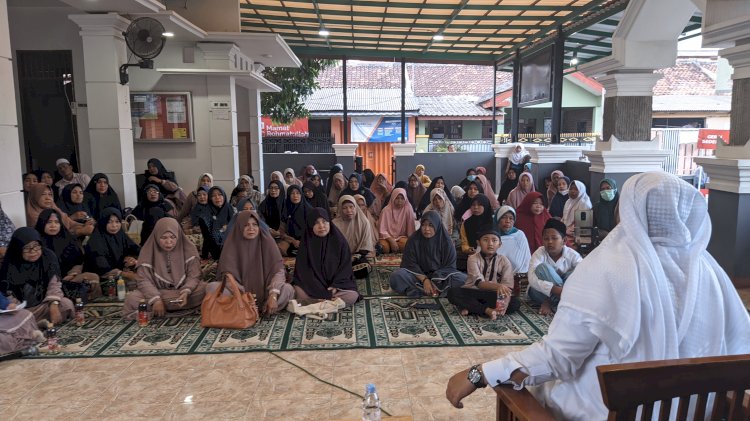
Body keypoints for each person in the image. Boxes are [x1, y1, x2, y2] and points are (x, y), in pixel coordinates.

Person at [446, 172, 750, 421]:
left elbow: (557, 359)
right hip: (697, 413)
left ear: (629, 210)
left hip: (609, 413)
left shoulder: (608, 268)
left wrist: (480, 373)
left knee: (537, 394)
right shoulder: (712, 275)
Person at [211, 210, 293, 314]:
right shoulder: (231, 244)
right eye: (246, 225)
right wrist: (244, 296)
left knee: (288, 289)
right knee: (212, 288)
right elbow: (227, 277)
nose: (251, 228)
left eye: (255, 224)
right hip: (240, 296)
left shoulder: (267, 241)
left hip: (267, 293)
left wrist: (273, 294)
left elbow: (279, 271)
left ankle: (266, 306)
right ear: (239, 227)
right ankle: (246, 308)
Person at [123, 218, 206, 319]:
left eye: (173, 237)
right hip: (158, 292)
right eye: (164, 237)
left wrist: (186, 291)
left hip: (184, 293)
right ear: (157, 236)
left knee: (207, 289)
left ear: (178, 236)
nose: (169, 242)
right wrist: (156, 299)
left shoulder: (189, 249)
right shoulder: (147, 251)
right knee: (132, 299)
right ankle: (169, 307)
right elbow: (143, 280)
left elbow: (194, 276)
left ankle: (162, 310)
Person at [0, 227, 74, 323]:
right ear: (18, 249)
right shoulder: (10, 264)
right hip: (22, 310)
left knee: (66, 304)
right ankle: (36, 323)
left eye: (36, 246)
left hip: (44, 304)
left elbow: (54, 284)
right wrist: (21, 311)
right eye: (26, 248)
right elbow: (7, 294)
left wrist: (53, 304)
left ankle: (36, 323)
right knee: (17, 318)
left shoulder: (48, 256)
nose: (33, 251)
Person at [292, 208, 360, 307]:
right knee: (299, 292)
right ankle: (330, 303)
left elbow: (345, 268)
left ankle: (317, 303)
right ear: (311, 226)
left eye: (324, 222)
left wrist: (336, 285)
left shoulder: (340, 242)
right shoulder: (306, 244)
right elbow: (303, 271)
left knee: (352, 296)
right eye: (316, 223)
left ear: (329, 223)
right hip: (312, 286)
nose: (321, 226)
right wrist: (318, 289)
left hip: (335, 287)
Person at [389, 211, 466, 297]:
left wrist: (435, 280)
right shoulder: (414, 240)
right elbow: (409, 264)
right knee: (396, 276)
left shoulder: (446, 242)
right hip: (418, 277)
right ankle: (438, 291)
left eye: (431, 225)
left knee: (464, 280)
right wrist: (425, 280)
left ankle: (420, 290)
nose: (426, 229)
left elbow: (450, 267)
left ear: (437, 225)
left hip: (441, 279)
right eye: (424, 225)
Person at [447, 229, 517, 320]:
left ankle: (472, 308)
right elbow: (479, 284)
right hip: (474, 292)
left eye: (494, 240)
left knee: (515, 303)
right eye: (485, 240)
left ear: (500, 244)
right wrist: (498, 286)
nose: (490, 244)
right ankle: (487, 311)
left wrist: (504, 304)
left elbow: (507, 287)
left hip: (492, 295)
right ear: (478, 243)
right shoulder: (472, 258)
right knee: (453, 293)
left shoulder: (504, 261)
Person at [34, 209, 98, 302]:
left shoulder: (67, 238)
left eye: (56, 222)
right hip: (49, 285)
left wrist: (72, 274)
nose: (53, 225)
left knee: (93, 278)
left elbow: (79, 261)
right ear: (42, 223)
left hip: (70, 278)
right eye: (49, 222)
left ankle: (91, 307)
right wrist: (58, 280)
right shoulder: (37, 243)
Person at [526, 219, 582, 315]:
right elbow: (531, 279)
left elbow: (585, 275)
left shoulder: (573, 255)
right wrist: (554, 289)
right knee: (542, 268)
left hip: (564, 292)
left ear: (564, 240)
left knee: (578, 271)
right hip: (542, 292)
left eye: (554, 238)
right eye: (546, 239)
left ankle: (550, 303)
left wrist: (551, 296)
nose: (550, 242)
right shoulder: (539, 253)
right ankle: (565, 304)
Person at [83, 208, 141, 278]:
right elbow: (102, 267)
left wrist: (132, 259)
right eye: (109, 222)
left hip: (119, 274)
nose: (114, 225)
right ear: (103, 222)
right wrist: (125, 274)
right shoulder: (96, 241)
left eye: (117, 221)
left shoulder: (121, 235)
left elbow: (135, 249)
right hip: (100, 279)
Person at [26, 183, 93, 238]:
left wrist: (85, 225)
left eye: (50, 194)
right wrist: (81, 231)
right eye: (43, 194)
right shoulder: (33, 216)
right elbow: (58, 233)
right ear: (34, 197)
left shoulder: (54, 209)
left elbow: (69, 222)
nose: (48, 198)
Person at [333, 195, 375, 279]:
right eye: (345, 208)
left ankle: (343, 273)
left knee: (363, 269)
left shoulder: (364, 222)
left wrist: (353, 257)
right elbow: (332, 247)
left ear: (355, 207)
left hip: (357, 256)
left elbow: (365, 247)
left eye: (351, 207)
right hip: (340, 257)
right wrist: (345, 258)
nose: (349, 211)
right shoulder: (334, 224)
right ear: (340, 209)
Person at [196, 186, 234, 260]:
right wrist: (205, 256)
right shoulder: (204, 216)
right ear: (210, 199)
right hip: (216, 249)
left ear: (224, 195)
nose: (217, 197)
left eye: (220, 194)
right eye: (213, 195)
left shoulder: (230, 209)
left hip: (233, 246)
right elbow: (207, 239)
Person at [377, 188, 416, 254]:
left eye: (402, 198)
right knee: (385, 248)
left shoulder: (408, 209)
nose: (399, 201)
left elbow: (410, 230)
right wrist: (391, 241)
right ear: (393, 198)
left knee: (406, 245)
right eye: (397, 198)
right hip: (386, 237)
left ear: (405, 199)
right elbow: (382, 230)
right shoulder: (386, 210)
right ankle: (393, 247)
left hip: (401, 237)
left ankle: (394, 248)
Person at [494, 206, 531, 275]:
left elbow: (526, 259)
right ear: (498, 219)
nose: (507, 221)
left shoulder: (519, 235)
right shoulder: (491, 235)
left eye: (511, 218)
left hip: (518, 277)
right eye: (504, 217)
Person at [278, 185, 311, 256]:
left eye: (298, 193)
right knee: (280, 249)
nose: (295, 195)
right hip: (289, 240)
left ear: (301, 195)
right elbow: (282, 232)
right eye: (292, 193)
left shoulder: (309, 210)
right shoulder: (286, 209)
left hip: (307, 240)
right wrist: (293, 241)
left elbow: (312, 230)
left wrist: (302, 241)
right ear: (289, 195)